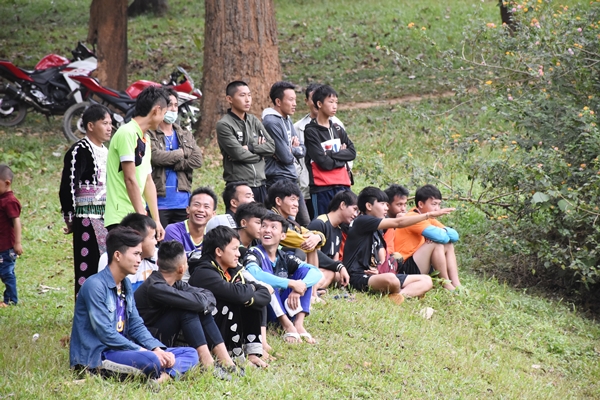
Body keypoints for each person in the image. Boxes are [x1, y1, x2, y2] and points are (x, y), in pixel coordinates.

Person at [70, 227, 198, 382]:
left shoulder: (125, 284)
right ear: (118, 255)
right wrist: (145, 351)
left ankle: (163, 377)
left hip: (124, 350)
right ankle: (159, 371)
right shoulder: (95, 286)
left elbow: (136, 325)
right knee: (151, 360)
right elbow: (106, 333)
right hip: (99, 355)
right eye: (136, 254)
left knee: (191, 353)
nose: (140, 259)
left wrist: (157, 348)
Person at [134, 240, 242, 379]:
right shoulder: (155, 287)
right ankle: (208, 364)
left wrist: (201, 303)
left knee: (195, 307)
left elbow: (209, 296)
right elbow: (199, 302)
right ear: (181, 268)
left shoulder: (175, 283)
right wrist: (201, 303)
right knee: (187, 309)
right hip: (148, 341)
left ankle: (227, 362)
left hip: (161, 334)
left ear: (158, 263)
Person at [343, 187, 454, 304]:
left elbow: (381, 256)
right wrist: (428, 215)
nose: (386, 208)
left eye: (386, 204)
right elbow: (399, 223)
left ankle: (399, 296)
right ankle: (405, 292)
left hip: (375, 275)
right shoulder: (361, 221)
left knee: (427, 280)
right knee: (391, 279)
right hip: (357, 277)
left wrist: (379, 269)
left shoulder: (377, 230)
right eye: (382, 204)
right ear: (369, 206)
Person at [188, 226, 271, 368]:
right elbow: (236, 295)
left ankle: (252, 354)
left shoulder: (233, 270)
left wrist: (248, 296)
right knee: (231, 303)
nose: (238, 254)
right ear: (219, 251)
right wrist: (250, 289)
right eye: (234, 249)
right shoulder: (204, 272)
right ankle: (234, 356)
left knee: (252, 302)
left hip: (223, 326)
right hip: (201, 334)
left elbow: (264, 292)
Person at [243, 213, 322, 344]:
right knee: (268, 279)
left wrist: (300, 286)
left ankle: (298, 324)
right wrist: (291, 283)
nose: (267, 230)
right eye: (264, 226)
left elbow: (316, 272)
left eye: (273, 227)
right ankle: (287, 325)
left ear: (283, 236)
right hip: (265, 311)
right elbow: (255, 274)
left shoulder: (284, 256)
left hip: (286, 306)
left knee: (304, 272)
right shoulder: (253, 253)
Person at [59, 104, 112, 297]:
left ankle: (105, 305)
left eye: (110, 124)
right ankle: (85, 306)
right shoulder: (79, 151)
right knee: (87, 267)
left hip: (109, 217)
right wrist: (70, 218)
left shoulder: (107, 151)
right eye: (104, 123)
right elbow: (68, 186)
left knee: (107, 265)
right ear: (90, 125)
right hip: (86, 219)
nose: (109, 128)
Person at [104, 86, 168, 241]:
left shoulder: (146, 139)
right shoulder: (127, 133)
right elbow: (130, 178)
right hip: (121, 217)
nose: (164, 119)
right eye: (164, 113)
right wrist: (142, 218)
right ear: (156, 110)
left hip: (138, 217)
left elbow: (148, 181)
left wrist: (156, 220)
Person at [148, 87, 203, 228]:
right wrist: (181, 153)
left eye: (176, 105)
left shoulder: (185, 134)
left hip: (182, 202)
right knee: (159, 240)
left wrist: (175, 164)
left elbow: (197, 160)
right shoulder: (150, 134)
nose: (173, 109)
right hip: (158, 202)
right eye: (169, 104)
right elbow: (155, 157)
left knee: (180, 241)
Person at [216, 81, 275, 204]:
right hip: (239, 186)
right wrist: (260, 155)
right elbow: (239, 154)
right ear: (229, 99)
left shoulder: (253, 120)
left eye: (249, 95)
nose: (247, 100)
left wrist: (251, 148)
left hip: (260, 183)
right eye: (242, 95)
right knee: (243, 217)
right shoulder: (224, 124)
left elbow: (271, 147)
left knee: (262, 216)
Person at [393, 184, 462, 290]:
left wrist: (442, 232)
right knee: (436, 243)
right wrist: (439, 234)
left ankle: (456, 284)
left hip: (418, 261)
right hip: (404, 267)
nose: (437, 208)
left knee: (448, 244)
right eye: (434, 204)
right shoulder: (413, 217)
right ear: (421, 204)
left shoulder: (428, 218)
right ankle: (446, 284)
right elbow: (442, 238)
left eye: (439, 204)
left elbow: (454, 236)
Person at [304, 85, 356, 218]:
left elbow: (352, 153)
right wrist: (341, 157)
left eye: (336, 102)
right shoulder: (311, 131)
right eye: (331, 102)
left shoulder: (338, 128)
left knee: (346, 223)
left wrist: (330, 154)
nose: (335, 106)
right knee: (324, 223)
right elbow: (323, 162)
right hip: (322, 188)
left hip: (343, 185)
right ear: (319, 104)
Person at [262, 81, 310, 226]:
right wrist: (291, 150)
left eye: (295, 99)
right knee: (283, 222)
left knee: (303, 222)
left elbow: (302, 150)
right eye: (291, 100)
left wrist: (293, 149)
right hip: (277, 179)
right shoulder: (271, 122)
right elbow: (286, 157)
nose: (295, 104)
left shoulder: (287, 119)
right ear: (278, 101)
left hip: (290, 177)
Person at [294, 83, 345, 218]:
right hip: (314, 183)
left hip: (339, 181)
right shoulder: (300, 127)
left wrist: (333, 157)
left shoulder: (337, 125)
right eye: (314, 98)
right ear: (308, 101)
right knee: (320, 220)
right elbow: (315, 159)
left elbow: (349, 152)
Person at [164, 187, 218, 282]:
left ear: (214, 214)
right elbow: (177, 263)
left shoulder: (215, 234)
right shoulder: (173, 230)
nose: (201, 210)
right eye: (197, 205)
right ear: (188, 209)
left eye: (206, 207)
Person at [267, 180, 325, 269]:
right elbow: (301, 241)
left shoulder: (290, 221)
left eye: (297, 200)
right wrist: (315, 239)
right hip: (275, 266)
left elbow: (315, 234)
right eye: (292, 199)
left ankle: (313, 276)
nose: (297, 204)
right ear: (278, 201)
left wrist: (318, 237)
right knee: (309, 246)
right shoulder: (271, 219)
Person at [306, 190, 357, 290]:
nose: (355, 214)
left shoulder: (338, 229)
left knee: (337, 275)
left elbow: (335, 258)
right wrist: (339, 267)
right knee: (331, 274)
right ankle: (312, 290)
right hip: (312, 269)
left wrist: (338, 268)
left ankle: (318, 289)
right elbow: (314, 256)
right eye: (354, 209)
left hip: (327, 270)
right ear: (342, 205)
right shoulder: (320, 223)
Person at [98, 213, 158, 291]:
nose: (156, 242)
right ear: (137, 237)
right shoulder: (110, 258)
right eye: (153, 237)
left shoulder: (158, 255)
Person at [0, 165, 22, 307]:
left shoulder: (10, 201)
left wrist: (17, 243)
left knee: (6, 272)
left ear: (7, 183)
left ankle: (11, 300)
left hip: (7, 246)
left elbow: (16, 222)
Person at [382, 184, 410, 256]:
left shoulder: (408, 216)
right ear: (388, 205)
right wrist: (397, 224)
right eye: (399, 205)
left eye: (405, 204)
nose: (403, 208)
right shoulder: (382, 221)